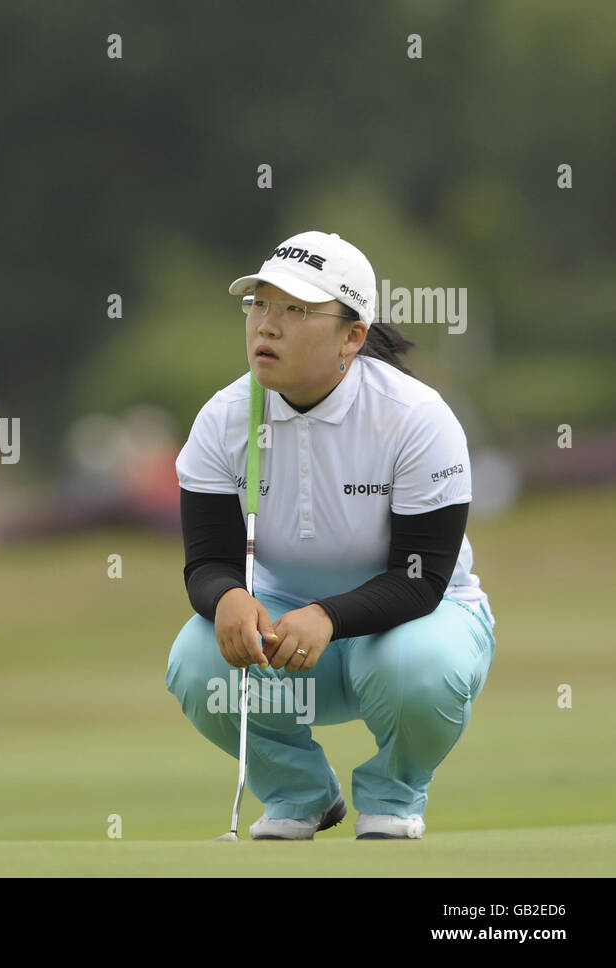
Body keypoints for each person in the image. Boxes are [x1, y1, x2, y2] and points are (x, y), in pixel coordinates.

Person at [164, 230, 496, 839]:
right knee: (194, 656)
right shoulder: (223, 418)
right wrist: (227, 597)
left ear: (352, 336)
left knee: (416, 664)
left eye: (295, 309)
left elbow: (421, 581)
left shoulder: (415, 418)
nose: (268, 325)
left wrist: (328, 616)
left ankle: (394, 795)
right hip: (288, 641)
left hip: (414, 625)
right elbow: (208, 561)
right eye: (260, 304)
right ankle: (299, 795)